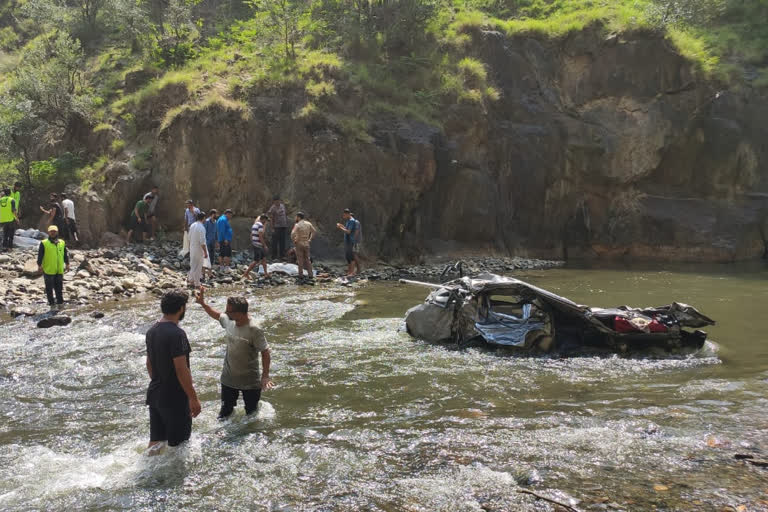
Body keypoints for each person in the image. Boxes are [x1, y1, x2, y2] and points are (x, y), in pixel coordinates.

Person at [195, 286, 272, 419]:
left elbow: (265, 352)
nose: (226, 313)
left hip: (250, 381)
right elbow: (217, 315)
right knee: (224, 414)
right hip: (228, 379)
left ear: (240, 313)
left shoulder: (254, 330)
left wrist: (265, 376)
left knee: (251, 416)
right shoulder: (230, 320)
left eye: (229, 311)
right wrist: (203, 304)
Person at [146, 290, 201, 451]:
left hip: (155, 393)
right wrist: (193, 398)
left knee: (156, 442)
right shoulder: (177, 334)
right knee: (180, 447)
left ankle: (148, 474)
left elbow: (149, 363)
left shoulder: (152, 330)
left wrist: (159, 382)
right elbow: (181, 368)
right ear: (181, 309)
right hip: (174, 398)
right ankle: (175, 477)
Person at [37, 225, 69, 306]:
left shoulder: (62, 242)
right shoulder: (44, 243)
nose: (53, 233)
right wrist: (39, 265)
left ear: (57, 232)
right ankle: (51, 303)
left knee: (59, 287)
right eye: (51, 231)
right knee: (49, 288)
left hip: (59, 269)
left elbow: (65, 254)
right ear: (48, 232)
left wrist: (67, 263)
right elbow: (40, 255)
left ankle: (60, 302)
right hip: (49, 269)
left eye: (54, 231)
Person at [291, 211, 316, 282]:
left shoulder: (297, 225)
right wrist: (310, 239)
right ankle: (310, 275)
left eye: (296, 217)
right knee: (307, 259)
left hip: (299, 243)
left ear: (298, 217)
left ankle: (300, 275)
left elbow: (292, 233)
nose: (295, 218)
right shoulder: (308, 224)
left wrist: (294, 240)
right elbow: (314, 231)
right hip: (306, 243)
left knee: (300, 260)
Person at [336, 208, 361, 276]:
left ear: (347, 214)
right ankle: (349, 272)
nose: (343, 216)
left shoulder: (352, 221)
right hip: (347, 241)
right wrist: (342, 226)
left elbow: (348, 232)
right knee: (348, 257)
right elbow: (347, 229)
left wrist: (339, 227)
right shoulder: (348, 221)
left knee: (351, 256)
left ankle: (352, 272)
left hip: (351, 241)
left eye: (344, 215)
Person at [243, 214, 269, 280]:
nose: (266, 222)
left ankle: (266, 274)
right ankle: (246, 273)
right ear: (264, 219)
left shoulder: (255, 224)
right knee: (256, 261)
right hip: (258, 245)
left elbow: (251, 235)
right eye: (266, 220)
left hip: (256, 244)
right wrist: (265, 245)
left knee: (264, 259)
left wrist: (253, 242)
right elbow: (261, 236)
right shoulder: (260, 225)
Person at [187, 211, 208, 287]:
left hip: (192, 247)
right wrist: (205, 252)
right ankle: (197, 283)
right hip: (199, 248)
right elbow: (202, 241)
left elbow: (188, 237)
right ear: (204, 218)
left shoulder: (192, 225)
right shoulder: (201, 227)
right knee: (198, 265)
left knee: (193, 264)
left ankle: (191, 280)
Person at [267, 195, 288, 260]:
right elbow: (271, 218)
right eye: (276, 201)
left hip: (283, 226)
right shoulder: (273, 208)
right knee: (275, 242)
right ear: (274, 201)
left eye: (278, 201)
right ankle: (274, 256)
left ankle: (282, 256)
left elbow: (285, 214)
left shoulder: (282, 206)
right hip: (276, 227)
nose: (277, 202)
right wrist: (272, 228)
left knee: (282, 242)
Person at [203, 209, 219, 279]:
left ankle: (210, 273)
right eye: (215, 214)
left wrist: (217, 241)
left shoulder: (215, 222)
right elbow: (203, 232)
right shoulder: (206, 221)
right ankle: (203, 273)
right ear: (212, 214)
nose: (217, 215)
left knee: (212, 258)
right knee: (205, 258)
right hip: (206, 243)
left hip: (212, 243)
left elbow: (216, 233)